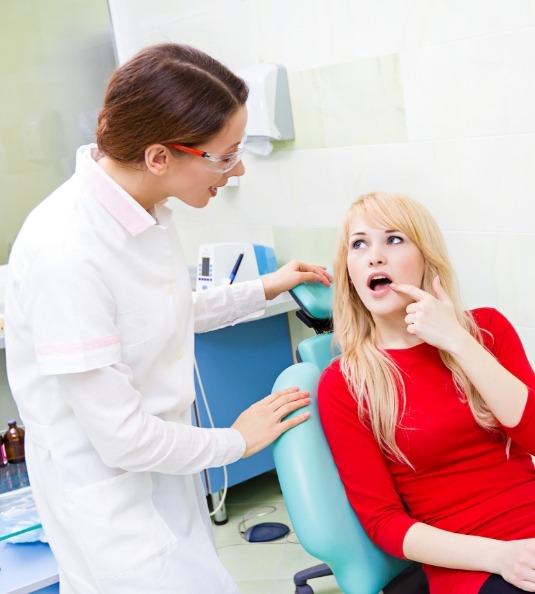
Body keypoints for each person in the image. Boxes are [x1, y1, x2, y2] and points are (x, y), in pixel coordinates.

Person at [4, 43, 331, 594]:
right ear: (160, 156)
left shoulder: (142, 207)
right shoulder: (67, 249)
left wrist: (266, 288)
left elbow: (160, 311)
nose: (237, 168)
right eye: (225, 156)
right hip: (110, 493)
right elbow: (123, 440)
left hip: (161, 470)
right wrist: (237, 440)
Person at [318, 191, 535, 594]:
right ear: (348, 270)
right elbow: (384, 522)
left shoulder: (487, 331)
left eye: (394, 239)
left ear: (426, 259)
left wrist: (458, 341)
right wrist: (503, 557)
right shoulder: (345, 383)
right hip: (474, 564)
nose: (374, 256)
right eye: (359, 244)